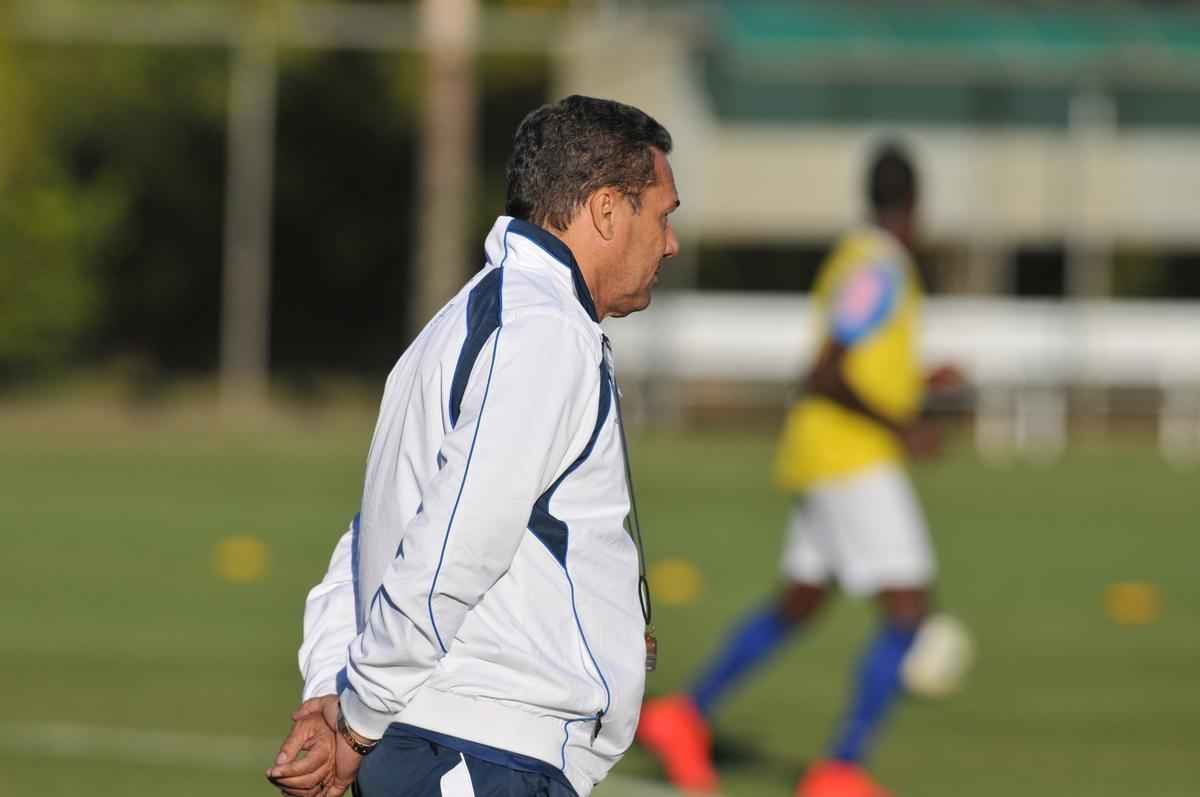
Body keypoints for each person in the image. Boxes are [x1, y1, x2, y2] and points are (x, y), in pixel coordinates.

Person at [265, 95, 680, 797]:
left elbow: (370, 540)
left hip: (449, 748)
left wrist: (336, 692)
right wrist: (358, 714)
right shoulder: (541, 330)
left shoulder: (464, 322)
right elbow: (459, 538)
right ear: (608, 209)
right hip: (480, 758)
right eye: (663, 214)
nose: (670, 242)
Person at [637, 143, 959, 797]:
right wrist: (904, 426)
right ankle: (840, 768)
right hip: (851, 459)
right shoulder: (881, 268)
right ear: (916, 206)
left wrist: (919, 382)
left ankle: (682, 715)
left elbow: (856, 362)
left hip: (825, 454)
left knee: (800, 601)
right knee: (909, 609)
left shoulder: (859, 257)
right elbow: (826, 370)